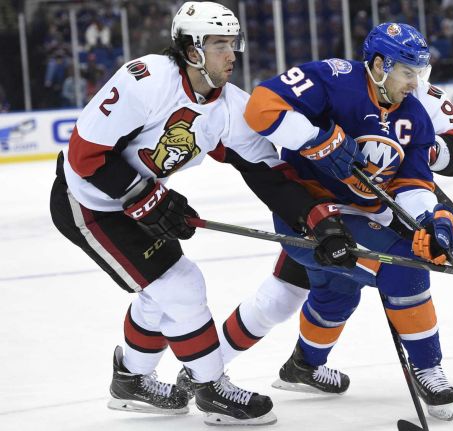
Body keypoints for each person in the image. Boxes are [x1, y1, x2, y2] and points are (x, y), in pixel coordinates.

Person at [48, 1, 353, 426]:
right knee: (181, 285)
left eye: (233, 43)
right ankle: (210, 389)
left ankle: (131, 379)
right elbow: (86, 155)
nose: (231, 54)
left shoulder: (229, 106)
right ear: (192, 51)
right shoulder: (147, 81)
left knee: (161, 289)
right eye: (219, 45)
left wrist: (314, 214)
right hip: (87, 202)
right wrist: (145, 197)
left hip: (132, 201)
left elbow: (266, 172)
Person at [240, 22, 453, 421]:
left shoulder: (414, 115)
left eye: (420, 73)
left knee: (337, 293)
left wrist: (428, 222)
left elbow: (413, 181)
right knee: (406, 267)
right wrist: (315, 138)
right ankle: (427, 366)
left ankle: (303, 367)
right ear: (379, 64)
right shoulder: (333, 79)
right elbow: (260, 107)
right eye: (408, 72)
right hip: (308, 218)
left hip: (358, 218)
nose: (416, 83)